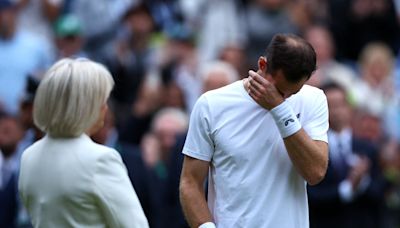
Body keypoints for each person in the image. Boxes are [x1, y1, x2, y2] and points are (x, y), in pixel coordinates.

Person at [179, 34, 329, 228]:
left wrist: (280, 109)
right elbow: (190, 182)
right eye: (280, 91)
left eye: (294, 93)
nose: (285, 97)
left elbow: (315, 172)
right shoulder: (211, 104)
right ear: (262, 64)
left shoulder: (313, 99)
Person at [18, 58, 149, 227]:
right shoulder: (100, 160)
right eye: (101, 100)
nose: (106, 108)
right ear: (84, 106)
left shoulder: (29, 156)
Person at [307, 82, 386, 228]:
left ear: (350, 108)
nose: (336, 111)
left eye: (340, 104)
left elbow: (380, 193)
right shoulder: (313, 148)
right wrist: (347, 189)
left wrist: (362, 181)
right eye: (330, 105)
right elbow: (312, 195)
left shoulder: (367, 148)